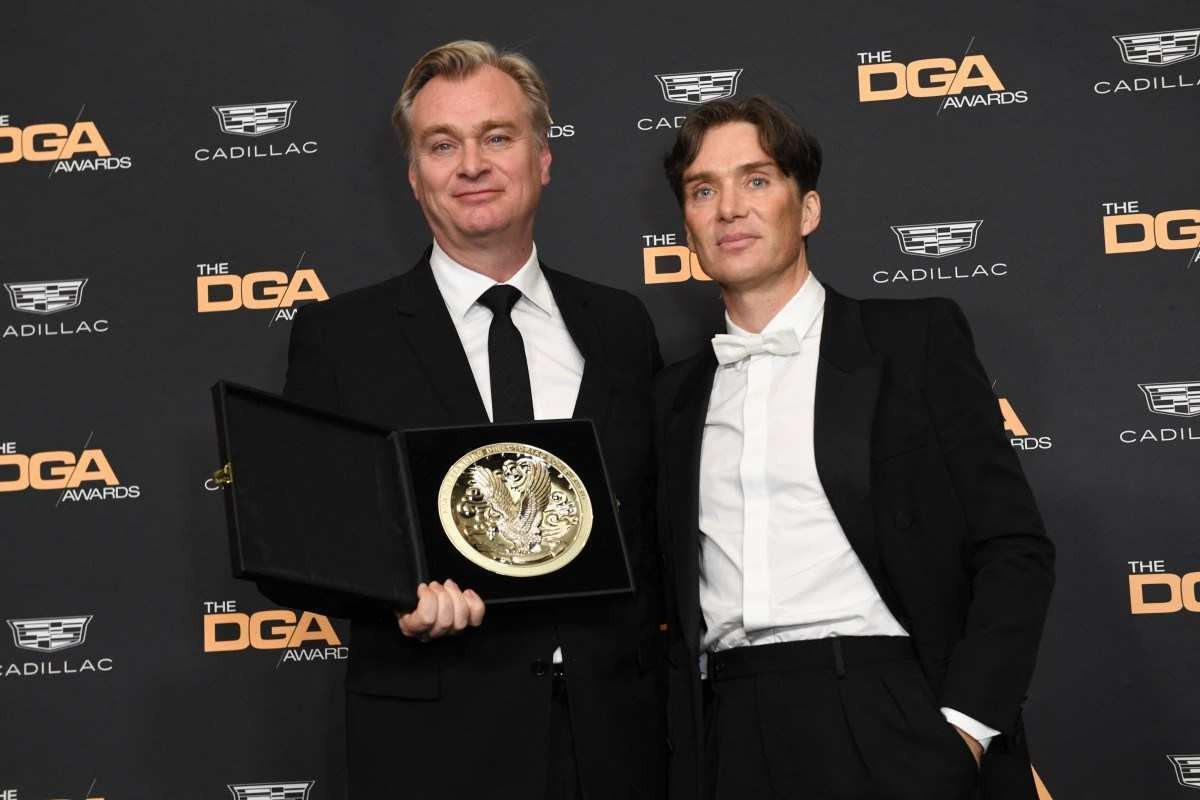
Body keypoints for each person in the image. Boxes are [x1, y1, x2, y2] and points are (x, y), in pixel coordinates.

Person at [257, 40, 666, 799]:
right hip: (432, 744)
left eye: (497, 137)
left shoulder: (620, 326)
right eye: (442, 145)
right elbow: (299, 538)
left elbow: (653, 525)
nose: (471, 164)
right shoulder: (343, 337)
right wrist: (395, 600)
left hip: (618, 741)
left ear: (543, 159)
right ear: (414, 178)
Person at [653, 96, 1055, 800]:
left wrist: (963, 727)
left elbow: (1013, 546)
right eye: (703, 190)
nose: (729, 209)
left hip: (886, 711)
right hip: (731, 730)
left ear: (807, 209)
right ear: (688, 224)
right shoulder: (671, 399)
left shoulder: (912, 342)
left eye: (757, 180)